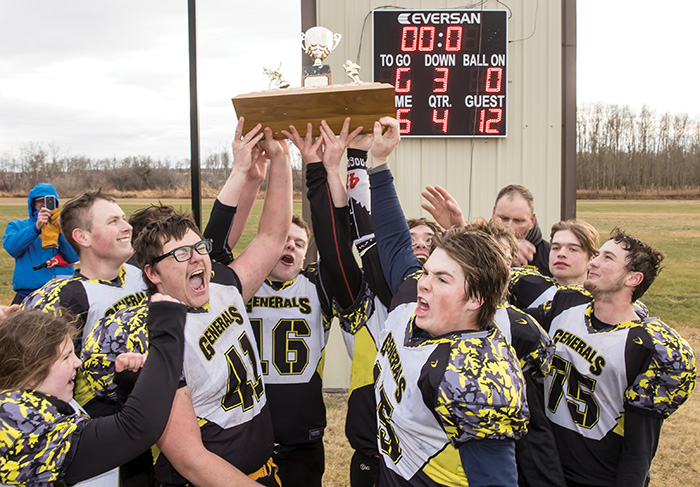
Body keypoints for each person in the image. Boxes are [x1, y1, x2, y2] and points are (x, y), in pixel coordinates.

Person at [81, 119, 292, 487]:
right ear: (152, 274)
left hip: (261, 468)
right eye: (179, 255)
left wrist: (281, 160)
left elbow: (272, 237)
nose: (196, 258)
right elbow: (190, 459)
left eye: (198, 248)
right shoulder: (152, 336)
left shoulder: (222, 284)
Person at [363, 118, 528, 486]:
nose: (423, 284)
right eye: (427, 272)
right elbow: (393, 240)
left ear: (476, 300)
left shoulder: (476, 375)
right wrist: (379, 162)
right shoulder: (414, 300)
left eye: (441, 279)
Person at [202, 119, 365, 487]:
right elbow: (213, 247)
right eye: (283, 240)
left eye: (299, 243)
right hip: (246, 430)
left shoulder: (318, 284)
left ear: (307, 256)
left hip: (300, 434)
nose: (289, 246)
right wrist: (249, 177)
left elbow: (336, 236)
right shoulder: (240, 285)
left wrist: (320, 169)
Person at [527, 229, 696, 486]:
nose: (593, 261)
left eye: (607, 258)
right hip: (543, 467)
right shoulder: (566, 303)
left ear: (633, 278)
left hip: (596, 477)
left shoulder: (646, 346)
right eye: (597, 255)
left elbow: (639, 449)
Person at [0, 297, 186, 486]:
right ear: (32, 373)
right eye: (65, 357)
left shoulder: (49, 399)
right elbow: (136, 429)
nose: (77, 362)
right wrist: (166, 333)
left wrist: (129, 386)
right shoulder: (15, 420)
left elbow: (116, 455)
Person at [3, 183, 79, 304]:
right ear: (32, 204)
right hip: (28, 293)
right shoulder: (17, 226)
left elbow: (73, 257)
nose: (44, 204)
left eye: (48, 201)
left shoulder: (64, 226)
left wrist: (61, 231)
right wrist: (35, 228)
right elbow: (12, 248)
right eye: (39, 201)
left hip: (60, 293)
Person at [492, 184, 551, 276]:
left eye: (518, 221)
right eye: (503, 218)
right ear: (493, 213)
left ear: (531, 220)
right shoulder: (476, 246)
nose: (509, 227)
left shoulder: (549, 256)